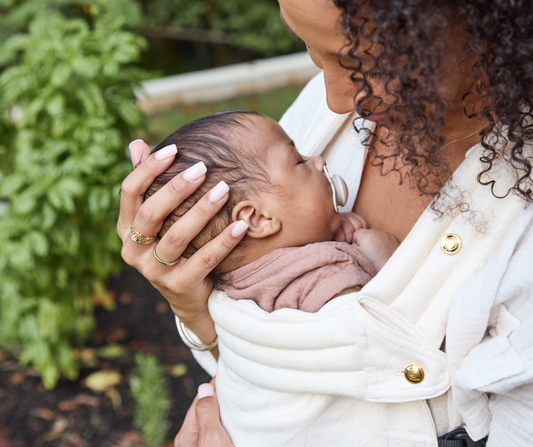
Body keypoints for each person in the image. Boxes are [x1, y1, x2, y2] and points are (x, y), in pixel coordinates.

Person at [117, 0, 533, 445]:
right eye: (315, 53)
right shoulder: (319, 120)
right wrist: (196, 306)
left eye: (364, 61)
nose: (335, 98)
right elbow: (275, 374)